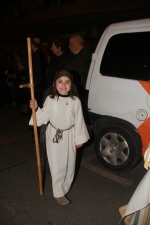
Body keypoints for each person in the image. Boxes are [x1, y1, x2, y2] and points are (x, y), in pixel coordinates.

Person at [29, 70, 89, 205]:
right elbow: (44, 117)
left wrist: (79, 139)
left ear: (71, 84)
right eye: (60, 82)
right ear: (55, 84)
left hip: (69, 135)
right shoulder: (51, 99)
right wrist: (36, 108)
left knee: (70, 164)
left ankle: (65, 187)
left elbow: (79, 120)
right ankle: (58, 193)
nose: (63, 85)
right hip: (54, 135)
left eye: (67, 82)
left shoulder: (75, 101)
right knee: (57, 165)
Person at [31, 37, 46, 107]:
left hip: (37, 84)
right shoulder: (40, 54)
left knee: (37, 102)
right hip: (39, 83)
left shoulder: (37, 55)